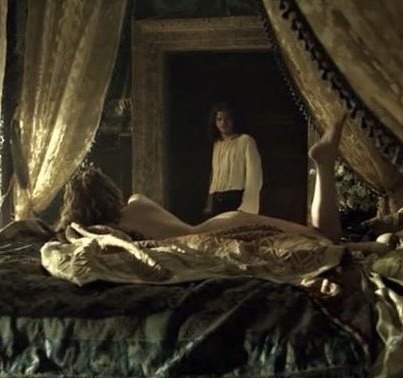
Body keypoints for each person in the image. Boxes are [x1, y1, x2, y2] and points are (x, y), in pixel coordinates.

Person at [56, 114, 392, 255]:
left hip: (218, 233)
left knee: (324, 241)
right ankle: (370, 246)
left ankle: (324, 165)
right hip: (219, 226)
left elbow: (69, 236)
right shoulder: (135, 202)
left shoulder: (112, 235)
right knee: (318, 241)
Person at [204, 102, 263, 216]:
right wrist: (210, 202)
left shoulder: (246, 141)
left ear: (234, 119)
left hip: (236, 198)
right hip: (217, 200)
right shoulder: (217, 144)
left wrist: (247, 205)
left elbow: (254, 175)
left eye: (227, 118)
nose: (223, 123)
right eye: (219, 119)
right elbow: (215, 175)